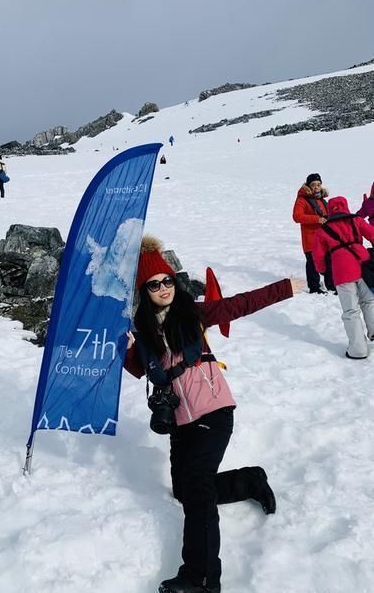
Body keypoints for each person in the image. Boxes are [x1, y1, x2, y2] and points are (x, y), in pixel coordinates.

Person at [124, 236, 303, 593]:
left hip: (213, 411)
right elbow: (136, 369)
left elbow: (238, 305)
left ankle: (201, 578)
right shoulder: (143, 330)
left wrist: (284, 288)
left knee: (198, 494)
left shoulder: (193, 314)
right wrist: (127, 347)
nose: (163, 289)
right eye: (154, 284)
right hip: (179, 421)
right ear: (144, 291)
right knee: (186, 491)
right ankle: (249, 480)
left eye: (167, 281)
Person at [313, 196, 374, 359]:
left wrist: (323, 271)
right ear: (346, 206)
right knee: (369, 302)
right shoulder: (356, 220)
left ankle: (358, 350)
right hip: (363, 266)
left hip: (342, 271)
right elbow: (372, 234)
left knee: (351, 311)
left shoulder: (323, 230)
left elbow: (317, 255)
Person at [293, 172, 335, 293]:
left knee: (328, 261)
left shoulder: (321, 200)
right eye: (313, 184)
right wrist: (316, 219)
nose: (316, 187)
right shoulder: (302, 200)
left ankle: (331, 287)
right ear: (308, 185)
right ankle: (314, 288)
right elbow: (297, 216)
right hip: (310, 238)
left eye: (318, 184)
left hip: (324, 238)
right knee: (312, 263)